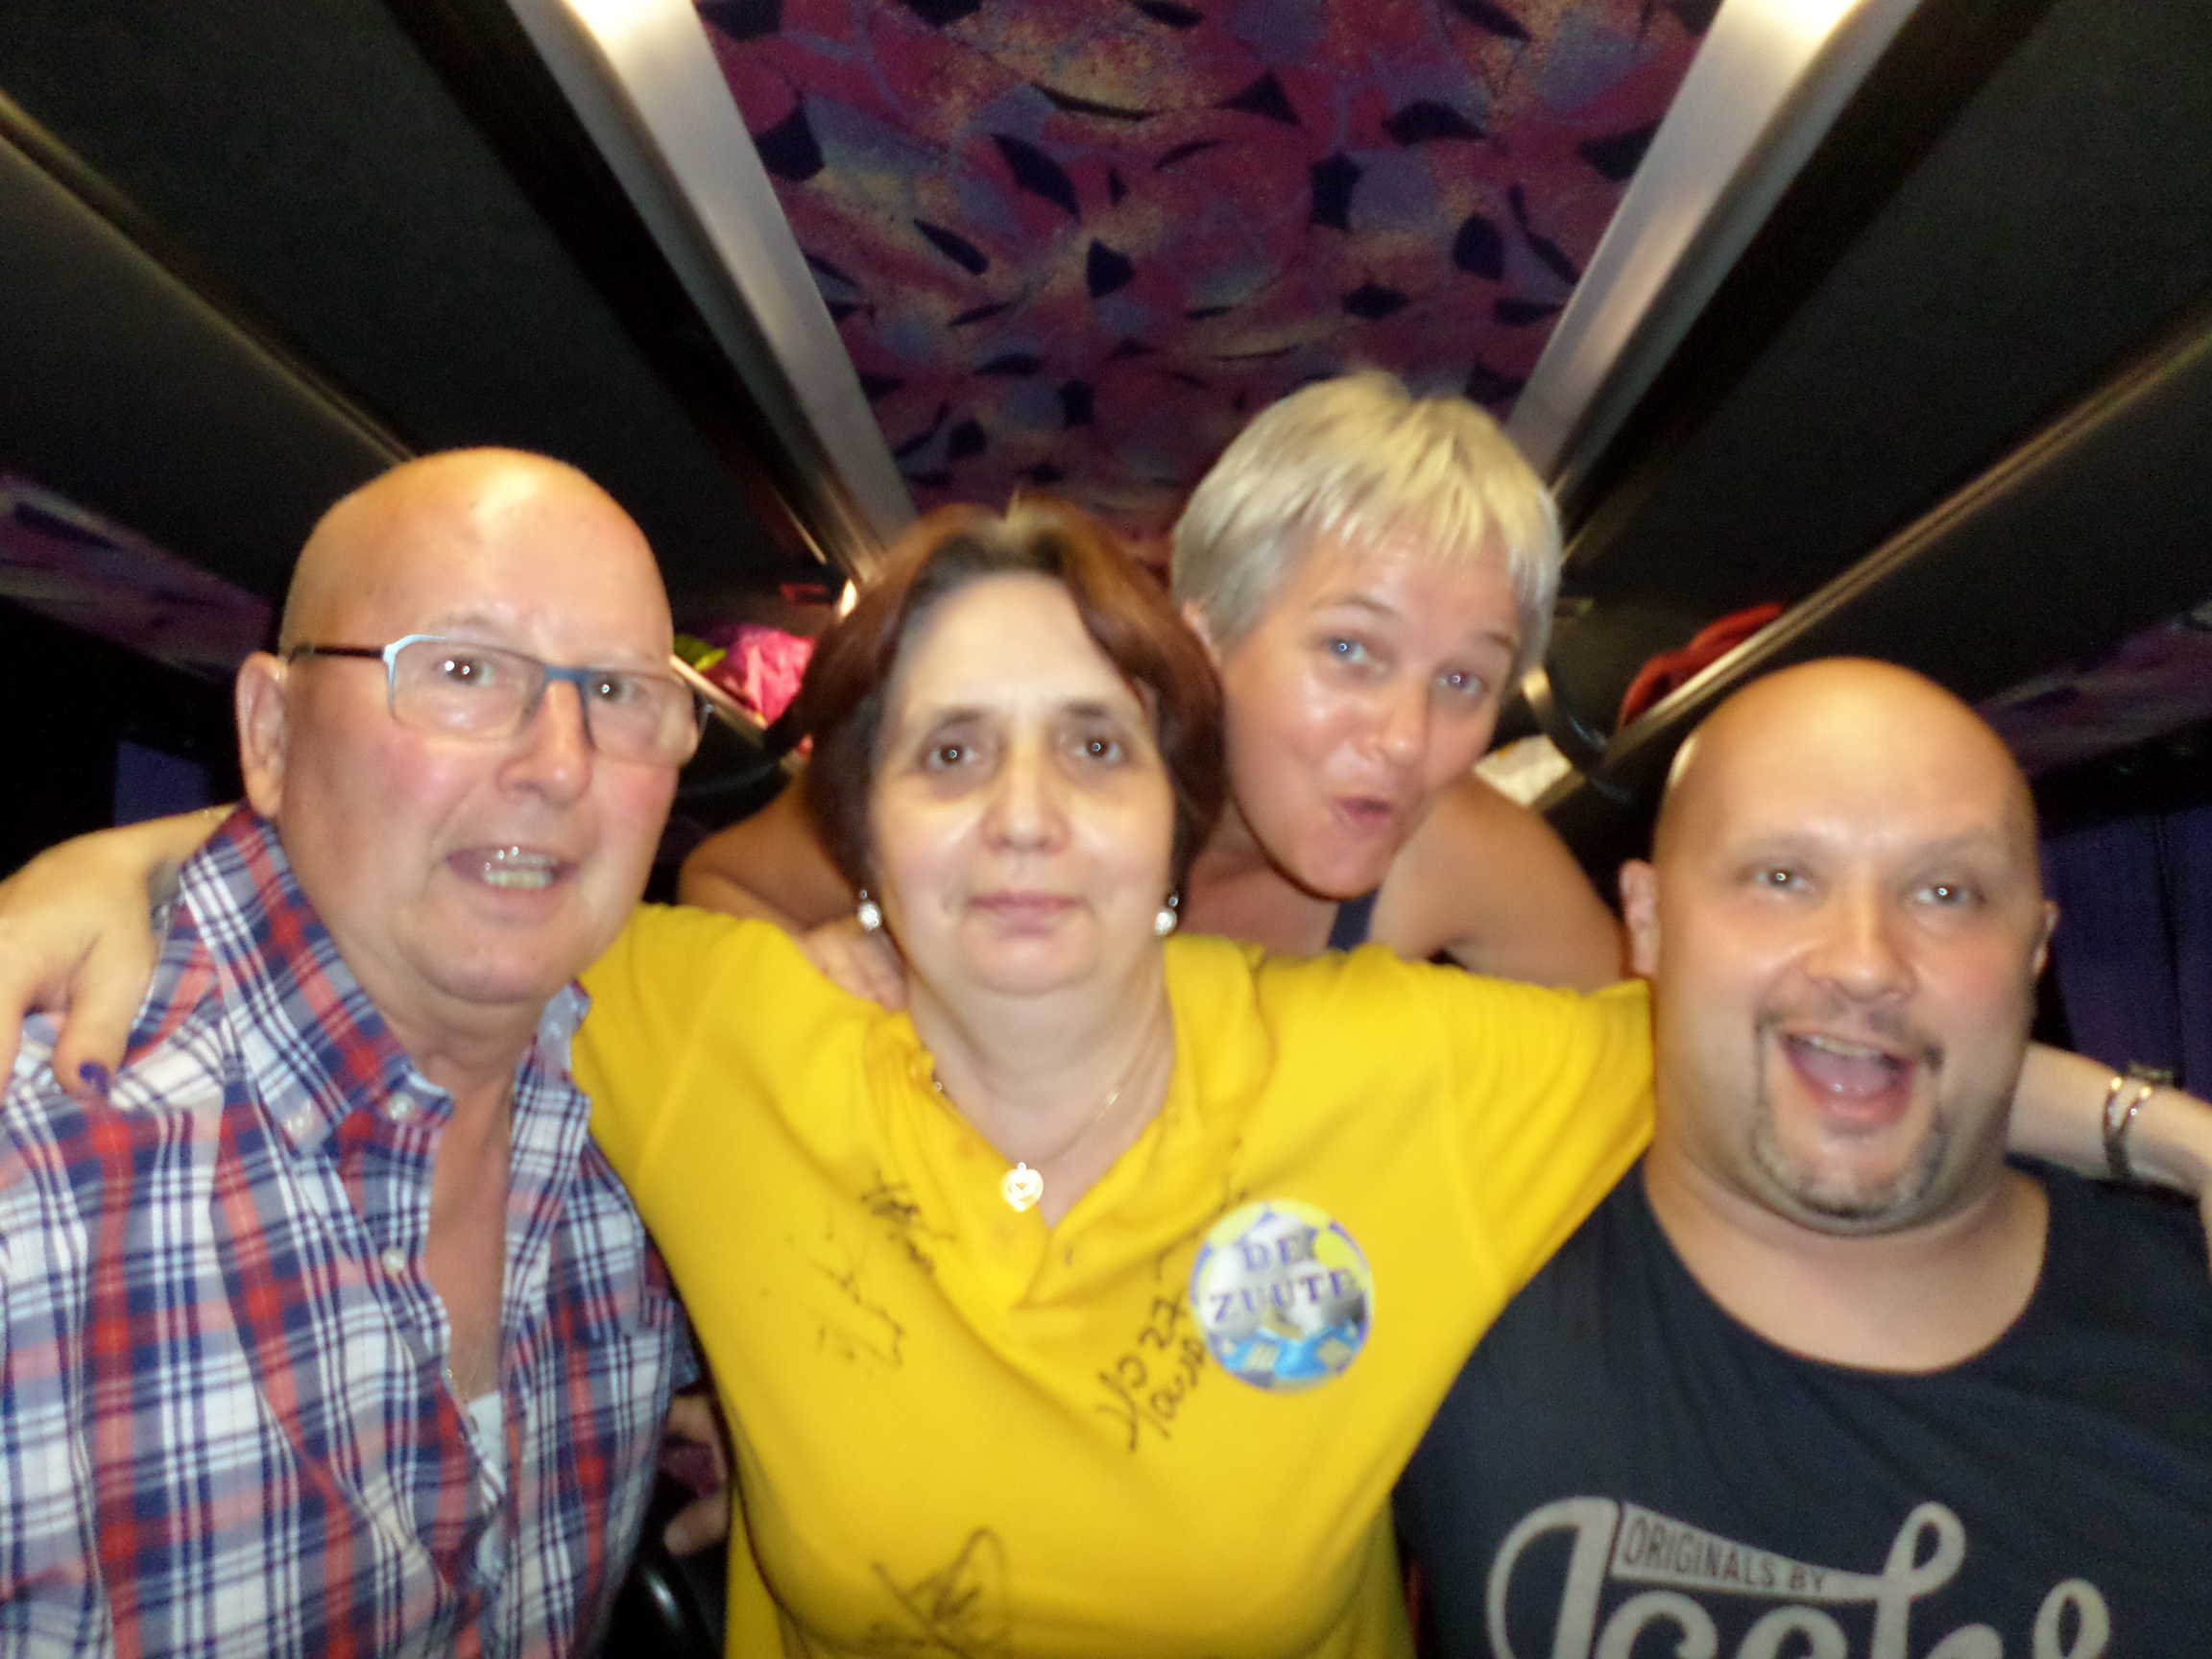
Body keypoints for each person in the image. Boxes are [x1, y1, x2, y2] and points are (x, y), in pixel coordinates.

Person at [3, 514, 2205, 1658]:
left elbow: (1805, 1023)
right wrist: (150, 854)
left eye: (1092, 746)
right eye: (951, 755)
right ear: (865, 832)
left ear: (1177, 817)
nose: (1030, 817)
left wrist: (2167, 1132)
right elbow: (460, 876)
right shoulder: (705, 1024)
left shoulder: (1411, 1067)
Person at [0, 451, 695, 1654]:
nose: (560, 764)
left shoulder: (667, 1108)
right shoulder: (36, 1182)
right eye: (463, 671)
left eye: (617, 690)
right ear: (269, 732)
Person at [1395, 661, 2212, 1656]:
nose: (1865, 962)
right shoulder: (1453, 1282)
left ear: (2034, 953)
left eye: (1946, 893)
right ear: (1647, 921)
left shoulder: (2189, 1327)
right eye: (1782, 878)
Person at [680, 372, 1624, 988]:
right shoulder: (1009, 778)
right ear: (1203, 638)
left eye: (1463, 681)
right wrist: (827, 992)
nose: (1407, 739)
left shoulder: (1458, 854)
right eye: (1349, 651)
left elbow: (1639, 1055)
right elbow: (721, 883)